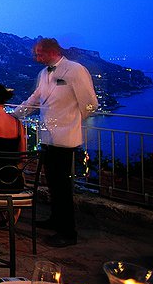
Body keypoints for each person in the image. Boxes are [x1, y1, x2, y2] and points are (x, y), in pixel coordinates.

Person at [14, 38, 98, 248]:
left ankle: (68, 232)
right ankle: (55, 219)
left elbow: (90, 104)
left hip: (66, 139)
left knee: (63, 188)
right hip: (48, 138)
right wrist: (15, 115)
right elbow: (35, 98)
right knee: (52, 183)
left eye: (38, 53)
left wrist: (72, 121)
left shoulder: (75, 70)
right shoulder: (44, 74)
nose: (36, 58)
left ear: (51, 51)